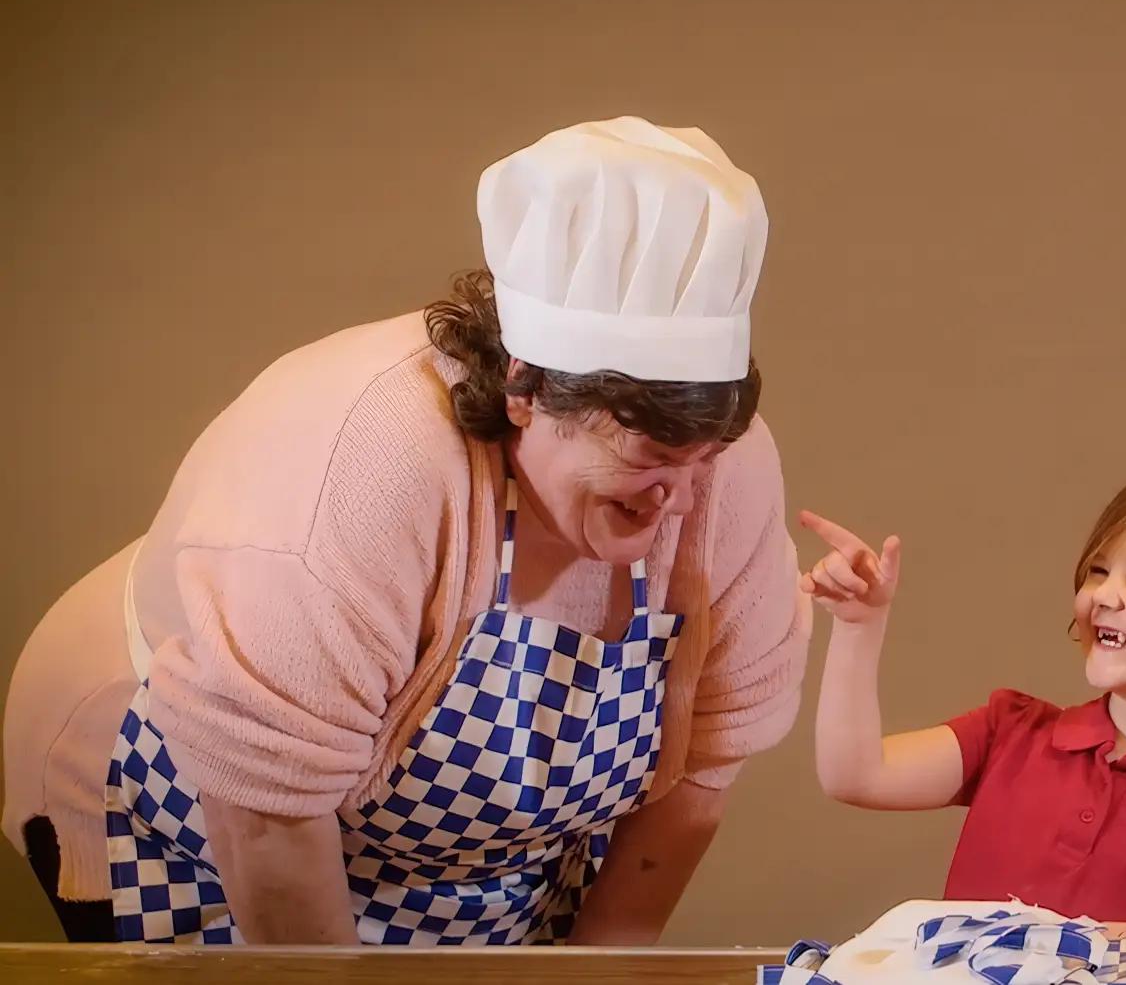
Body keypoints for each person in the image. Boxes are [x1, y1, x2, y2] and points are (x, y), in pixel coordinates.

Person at [1, 116, 812, 945]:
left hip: (459, 858)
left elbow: (701, 775)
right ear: (526, 390)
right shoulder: (366, 462)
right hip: (198, 813)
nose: (679, 495)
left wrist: (601, 972)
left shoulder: (727, 473)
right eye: (651, 451)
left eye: (705, 455)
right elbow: (268, 820)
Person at [804, 462, 1126, 950]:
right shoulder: (1010, 731)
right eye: (1098, 571)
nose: (1103, 595)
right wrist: (858, 627)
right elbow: (853, 774)